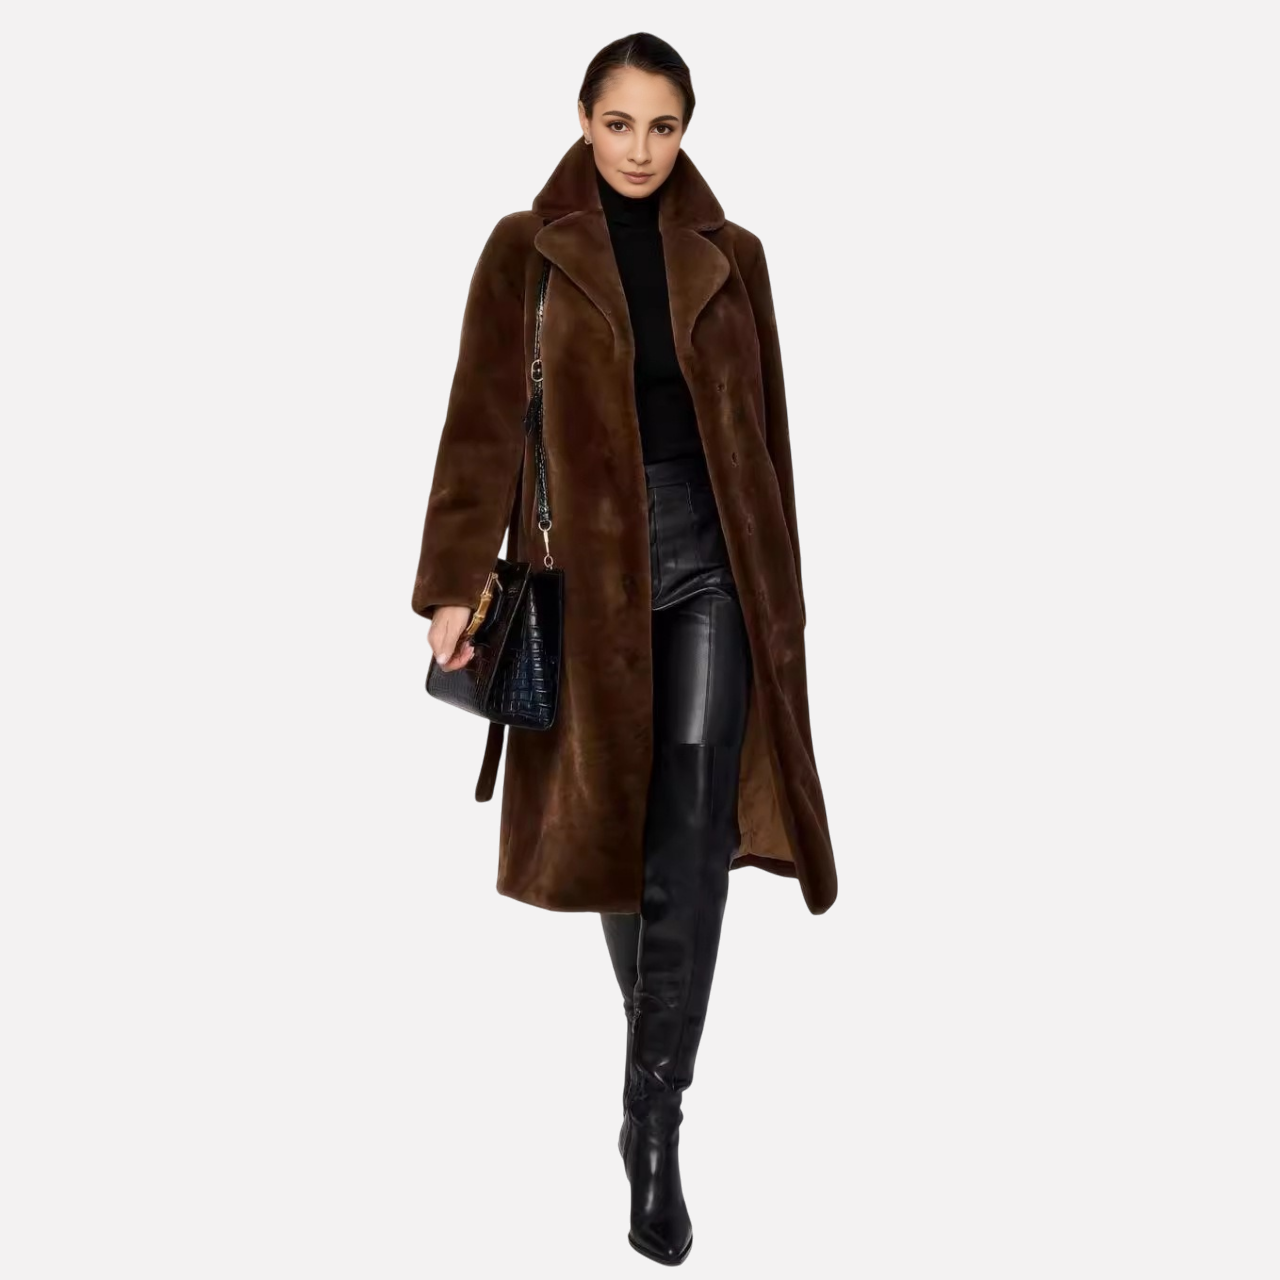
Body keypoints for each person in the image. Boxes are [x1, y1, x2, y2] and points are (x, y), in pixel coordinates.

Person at [411, 32, 836, 1267]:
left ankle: (653, 1116)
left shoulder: (733, 256)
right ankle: (653, 1047)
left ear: (685, 128)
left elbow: (768, 434)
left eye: (662, 126)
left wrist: (782, 593)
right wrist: (452, 581)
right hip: (586, 575)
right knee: (620, 828)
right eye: (617, 123)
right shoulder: (525, 249)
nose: (639, 149)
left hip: (713, 561)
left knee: (692, 825)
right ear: (582, 118)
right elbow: (480, 419)